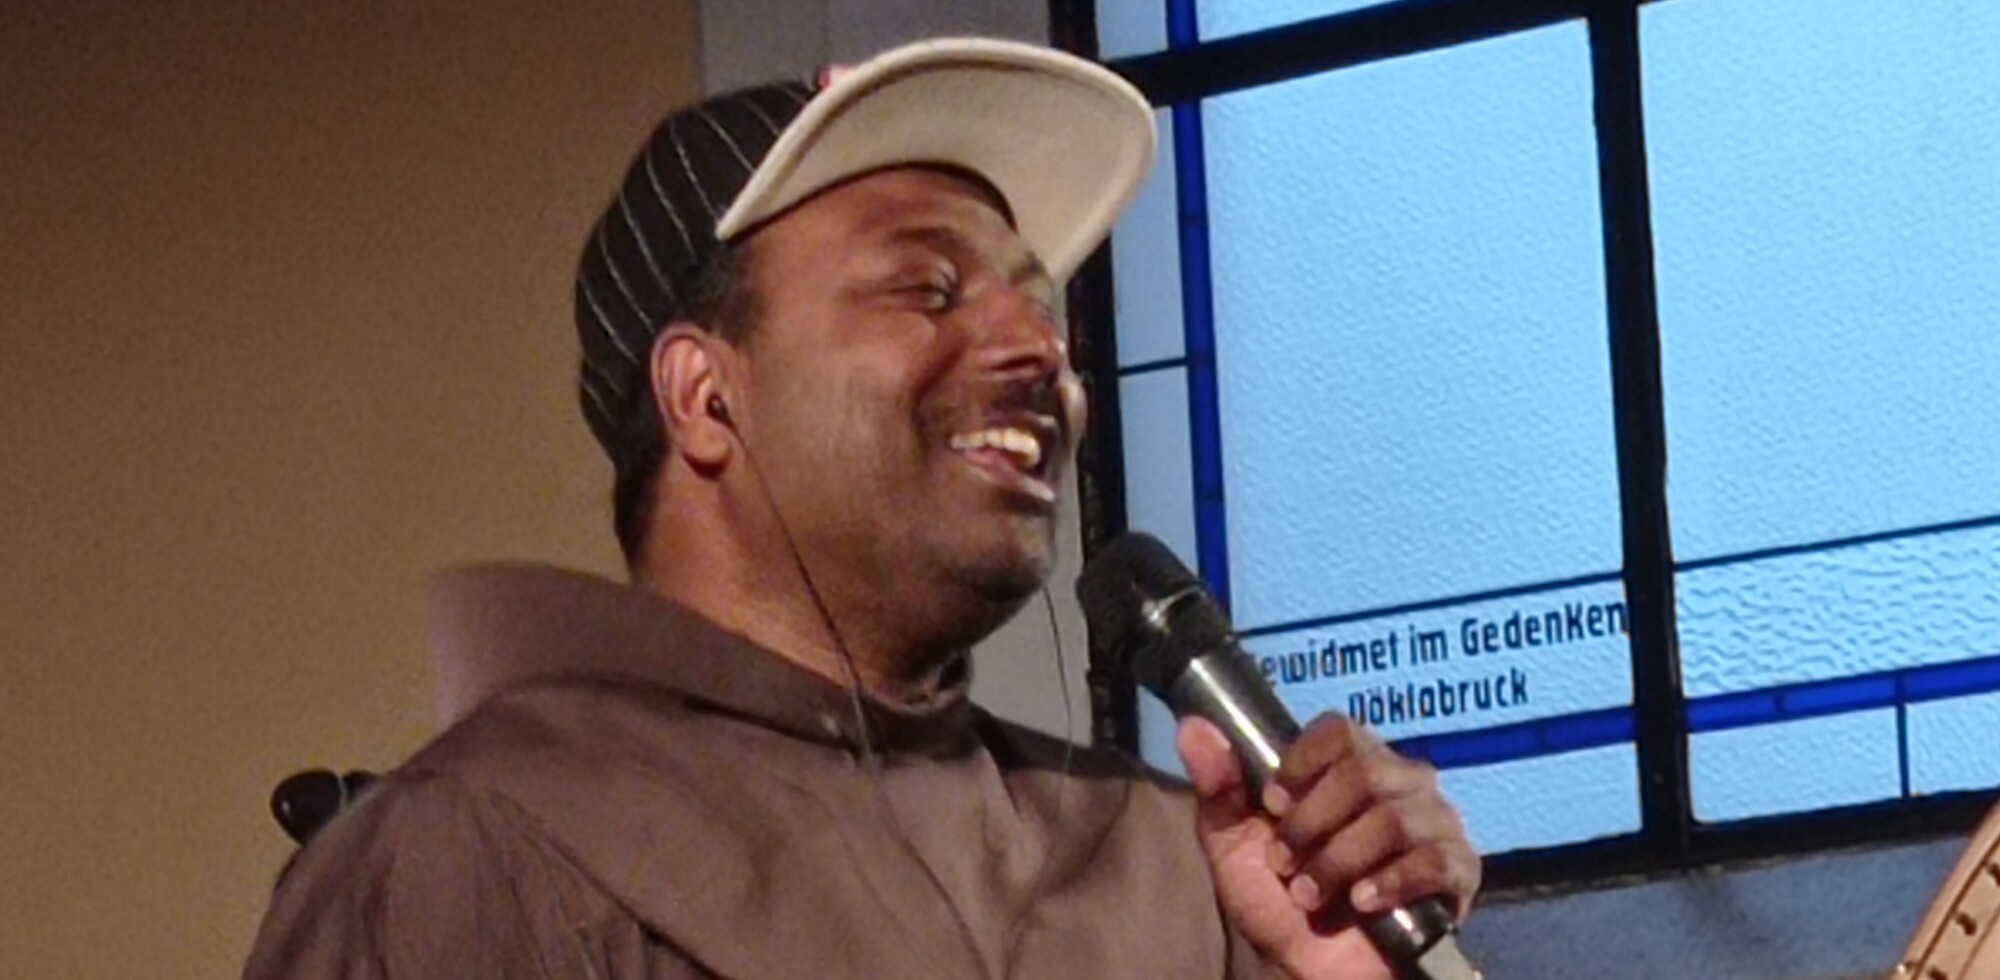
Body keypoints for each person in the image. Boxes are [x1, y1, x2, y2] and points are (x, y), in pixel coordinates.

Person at [243, 37, 1479, 980]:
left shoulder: (1169, 865)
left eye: (1037, 302)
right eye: (927, 289)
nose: (1040, 351)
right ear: (704, 395)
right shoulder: (475, 858)